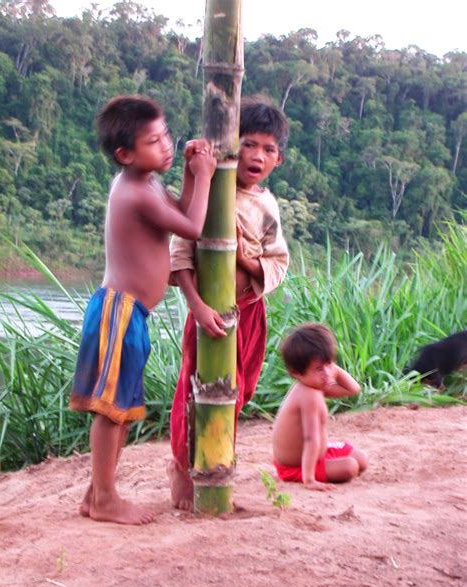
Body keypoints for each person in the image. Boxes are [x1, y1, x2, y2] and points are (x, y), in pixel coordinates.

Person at [69, 95, 216, 525]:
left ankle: (96, 493)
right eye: (154, 141)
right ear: (125, 154)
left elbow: (184, 210)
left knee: (123, 411)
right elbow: (193, 227)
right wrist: (205, 174)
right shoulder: (135, 191)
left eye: (167, 134)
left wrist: (191, 173)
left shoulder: (149, 182)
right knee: (111, 411)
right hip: (119, 312)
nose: (166, 145)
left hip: (132, 314)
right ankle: (104, 499)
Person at [167, 95, 290, 510]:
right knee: (194, 390)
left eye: (268, 149)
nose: (257, 156)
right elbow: (181, 250)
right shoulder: (213, 192)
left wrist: (241, 258)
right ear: (231, 149)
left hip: (249, 314)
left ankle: (216, 470)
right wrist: (197, 305)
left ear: (279, 160)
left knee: (236, 392)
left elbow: (278, 263)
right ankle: (184, 474)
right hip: (206, 314)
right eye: (248, 144)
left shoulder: (267, 206)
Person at [272, 323, 368, 489]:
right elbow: (311, 439)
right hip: (296, 466)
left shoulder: (314, 384)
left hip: (318, 453)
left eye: (329, 363)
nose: (327, 374)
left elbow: (353, 389)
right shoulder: (308, 396)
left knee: (362, 459)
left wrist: (327, 367)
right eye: (318, 368)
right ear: (296, 373)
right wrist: (309, 480)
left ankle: (324, 361)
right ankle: (307, 475)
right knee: (350, 467)